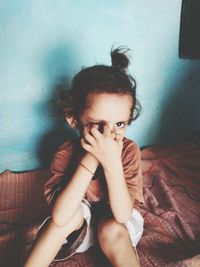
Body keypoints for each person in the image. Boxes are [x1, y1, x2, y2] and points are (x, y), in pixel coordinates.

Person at [24, 47, 144, 267]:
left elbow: (122, 214)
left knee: (110, 227)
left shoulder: (128, 151)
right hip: (80, 231)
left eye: (119, 124)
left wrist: (112, 164)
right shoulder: (65, 153)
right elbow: (60, 217)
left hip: (118, 227)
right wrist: (91, 160)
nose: (109, 135)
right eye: (99, 124)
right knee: (65, 219)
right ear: (74, 120)